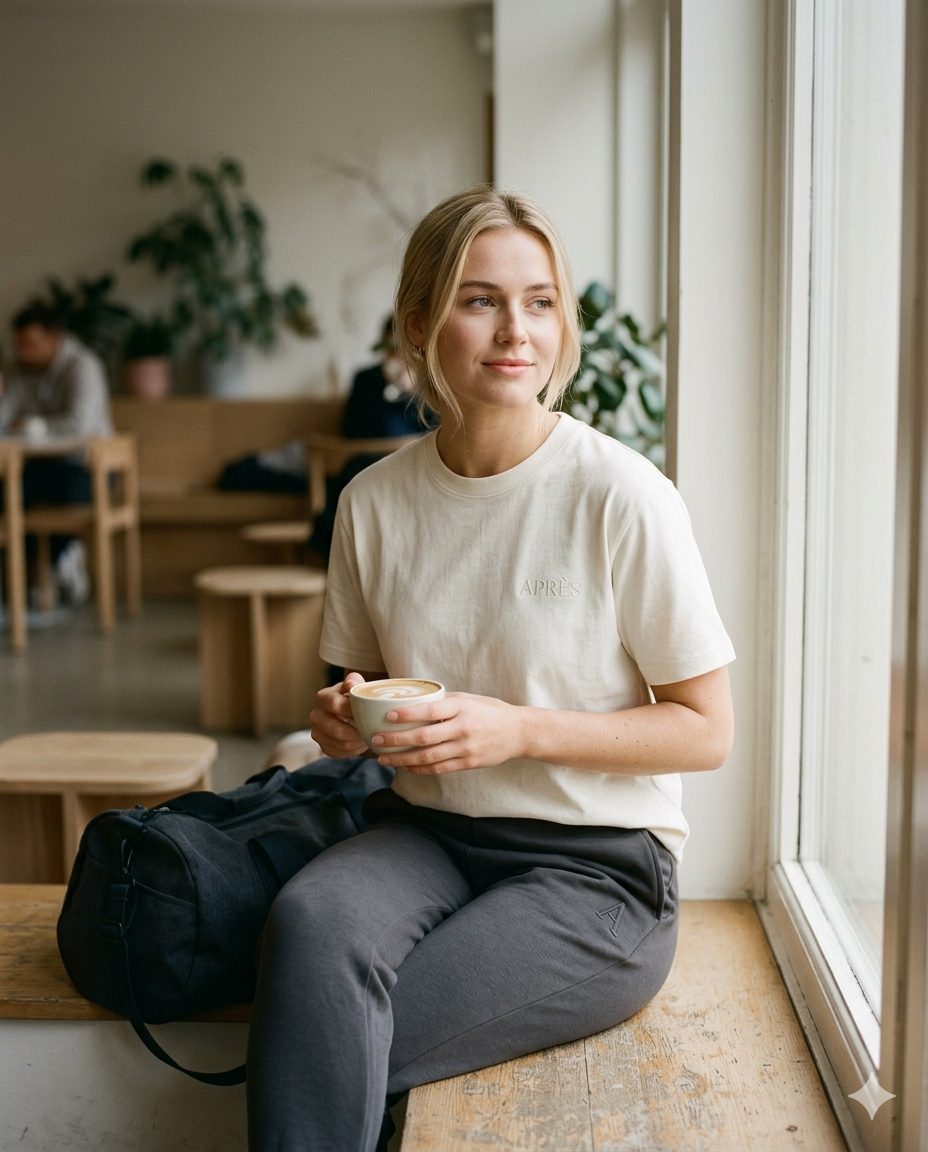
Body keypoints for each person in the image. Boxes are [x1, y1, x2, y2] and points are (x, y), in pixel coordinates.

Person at [246, 187, 736, 1152]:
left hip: (595, 871)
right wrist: (341, 721)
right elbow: (359, 690)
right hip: (425, 833)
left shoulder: (622, 496)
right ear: (421, 322)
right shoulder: (373, 502)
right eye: (480, 300)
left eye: (541, 301)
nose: (517, 330)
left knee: (350, 1039)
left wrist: (517, 728)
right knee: (309, 921)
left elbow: (705, 730)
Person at [0, 302, 113, 602]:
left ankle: (60, 558)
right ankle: (15, 587)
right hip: (38, 466)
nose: (24, 353)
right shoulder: (18, 371)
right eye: (20, 345)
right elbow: (3, 419)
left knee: (60, 493)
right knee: (8, 493)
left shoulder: (83, 366)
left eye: (32, 345)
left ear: (54, 339)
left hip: (88, 467)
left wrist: (35, 425)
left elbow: (79, 425)